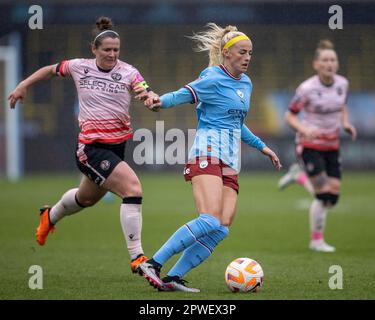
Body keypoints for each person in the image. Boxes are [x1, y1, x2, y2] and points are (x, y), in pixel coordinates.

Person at [137, 23, 282, 292]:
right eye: (242, 52)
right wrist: (159, 102)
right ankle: (153, 263)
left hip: (229, 161)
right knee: (209, 219)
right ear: (227, 53)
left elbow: (237, 124)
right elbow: (183, 94)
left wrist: (263, 147)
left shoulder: (246, 83)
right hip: (207, 153)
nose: (247, 57)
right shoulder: (213, 77)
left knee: (221, 227)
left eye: (250, 52)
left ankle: (172, 278)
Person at [8, 16, 158, 273]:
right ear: (94, 50)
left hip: (116, 147)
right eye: (107, 50)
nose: (112, 54)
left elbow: (143, 89)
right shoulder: (79, 67)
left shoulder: (128, 71)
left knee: (85, 199)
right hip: (91, 148)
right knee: (133, 189)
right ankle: (138, 257)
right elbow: (49, 70)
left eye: (116, 50)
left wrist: (150, 97)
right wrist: (23, 85)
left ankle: (50, 216)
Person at [284, 40, 357, 252]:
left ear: (337, 63)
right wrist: (303, 129)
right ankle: (316, 240)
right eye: (325, 60)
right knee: (323, 194)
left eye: (333, 59)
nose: (329, 63)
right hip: (310, 145)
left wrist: (345, 123)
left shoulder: (343, 84)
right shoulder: (306, 89)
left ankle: (298, 176)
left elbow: (342, 107)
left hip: (332, 145)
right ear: (316, 64)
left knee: (332, 197)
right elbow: (289, 115)